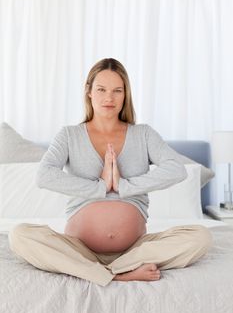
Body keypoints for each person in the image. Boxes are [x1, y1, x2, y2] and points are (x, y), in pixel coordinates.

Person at [8, 58, 213, 286]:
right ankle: (116, 274)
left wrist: (124, 186)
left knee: (200, 237)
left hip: (135, 251)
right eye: (101, 89)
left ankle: (105, 270)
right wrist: (101, 187)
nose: (109, 98)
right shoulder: (69, 136)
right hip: (79, 250)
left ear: (126, 94)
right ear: (88, 91)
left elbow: (176, 170)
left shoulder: (143, 134)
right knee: (19, 235)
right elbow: (44, 175)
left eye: (117, 90)